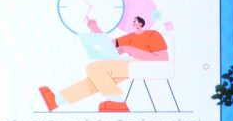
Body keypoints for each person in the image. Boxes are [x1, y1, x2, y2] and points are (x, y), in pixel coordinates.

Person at [39, 16, 168, 113]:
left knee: (94, 68)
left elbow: (162, 60)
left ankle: (117, 103)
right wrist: (96, 29)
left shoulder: (153, 35)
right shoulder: (131, 37)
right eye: (133, 21)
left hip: (147, 66)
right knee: (99, 79)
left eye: (135, 20)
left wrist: (131, 49)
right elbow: (110, 44)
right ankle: (57, 101)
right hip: (132, 65)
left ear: (141, 23)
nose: (133, 23)